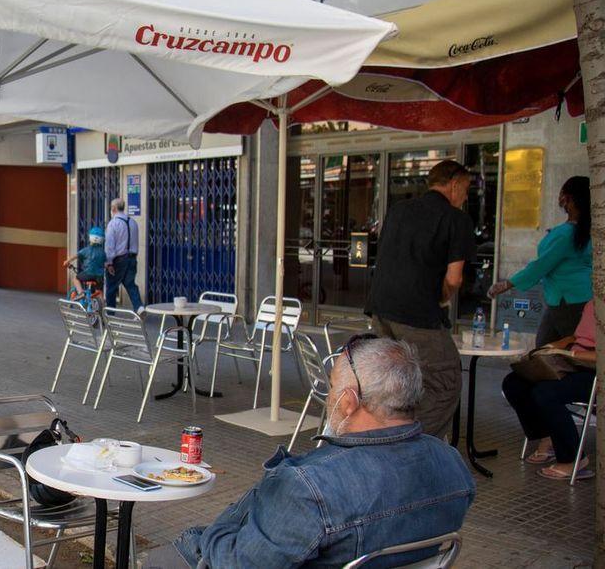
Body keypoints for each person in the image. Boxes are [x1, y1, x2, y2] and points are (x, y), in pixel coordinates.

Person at [144, 337, 475, 568]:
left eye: (331, 389)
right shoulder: (451, 463)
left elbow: (240, 563)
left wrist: (216, 530)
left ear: (348, 401)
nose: (328, 399)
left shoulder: (310, 486)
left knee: (162, 560)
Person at [365, 160, 476, 437]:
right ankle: (409, 445)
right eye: (466, 188)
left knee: (396, 380)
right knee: (445, 381)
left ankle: (384, 434)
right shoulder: (455, 219)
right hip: (417, 312)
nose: (465, 196)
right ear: (454, 184)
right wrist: (442, 296)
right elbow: (454, 279)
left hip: (380, 307)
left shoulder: (398, 210)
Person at [489, 176, 592, 346]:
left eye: (562, 194)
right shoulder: (585, 231)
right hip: (573, 298)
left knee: (561, 351)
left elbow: (540, 266)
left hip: (566, 301)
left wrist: (506, 284)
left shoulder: (565, 234)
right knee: (547, 349)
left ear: (569, 199)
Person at [501, 302, 597, 480]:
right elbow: (576, 338)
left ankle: (573, 458)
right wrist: (551, 348)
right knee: (514, 383)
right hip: (572, 364)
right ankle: (548, 436)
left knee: (545, 392)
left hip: (595, 372)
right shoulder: (593, 304)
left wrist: (573, 355)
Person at [104, 198, 142, 310]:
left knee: (111, 287)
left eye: (111, 207)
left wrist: (109, 263)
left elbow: (110, 246)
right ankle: (139, 308)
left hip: (119, 260)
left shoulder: (113, 223)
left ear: (114, 208)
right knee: (130, 285)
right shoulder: (133, 222)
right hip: (132, 258)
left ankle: (110, 314)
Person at [62, 226, 106, 299]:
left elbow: (76, 256)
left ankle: (81, 293)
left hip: (88, 273)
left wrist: (67, 261)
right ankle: (102, 306)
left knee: (76, 279)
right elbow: (105, 263)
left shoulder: (86, 250)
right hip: (99, 276)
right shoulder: (103, 252)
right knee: (99, 291)